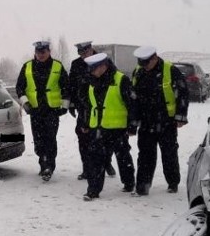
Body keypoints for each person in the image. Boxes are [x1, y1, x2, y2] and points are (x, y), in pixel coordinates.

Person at [130, 46, 189, 196]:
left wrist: (180, 116)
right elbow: (134, 98)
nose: (145, 66)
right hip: (146, 121)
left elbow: (182, 93)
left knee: (169, 154)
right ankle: (142, 187)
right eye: (142, 63)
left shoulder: (170, 70)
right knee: (145, 156)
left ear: (155, 58)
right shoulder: (138, 71)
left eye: (147, 63)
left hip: (166, 121)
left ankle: (173, 183)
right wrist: (133, 121)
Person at [81, 53, 136, 200]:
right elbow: (88, 105)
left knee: (123, 157)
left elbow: (132, 104)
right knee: (95, 159)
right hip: (98, 127)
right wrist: (85, 123)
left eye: (94, 68)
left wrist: (132, 125)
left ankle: (129, 182)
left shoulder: (120, 79)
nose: (92, 72)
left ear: (104, 66)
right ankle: (93, 190)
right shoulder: (91, 82)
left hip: (117, 128)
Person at [16, 40, 70, 181]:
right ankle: (43, 162)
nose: (40, 55)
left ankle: (48, 166)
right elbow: (19, 88)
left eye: (43, 52)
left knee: (50, 139)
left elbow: (66, 87)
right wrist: (25, 103)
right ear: (35, 53)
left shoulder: (57, 66)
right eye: (38, 52)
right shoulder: (27, 66)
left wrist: (65, 106)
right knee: (38, 141)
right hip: (35, 110)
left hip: (52, 110)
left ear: (49, 52)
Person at [68, 41, 116, 180]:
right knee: (83, 139)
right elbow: (72, 84)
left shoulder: (104, 60)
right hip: (83, 106)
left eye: (85, 52)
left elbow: (113, 78)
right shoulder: (76, 64)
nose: (83, 55)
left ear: (91, 49)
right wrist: (71, 104)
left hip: (102, 106)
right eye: (80, 53)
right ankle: (87, 169)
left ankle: (107, 162)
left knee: (104, 139)